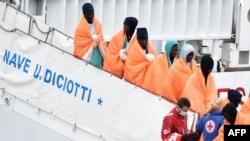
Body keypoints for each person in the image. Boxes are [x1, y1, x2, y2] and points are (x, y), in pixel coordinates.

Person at [73, 2, 106, 69]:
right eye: (88, 14)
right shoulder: (79, 28)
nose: (91, 16)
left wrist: (97, 38)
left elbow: (101, 38)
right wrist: (91, 39)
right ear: (84, 14)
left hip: (97, 54)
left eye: (92, 14)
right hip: (86, 56)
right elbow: (78, 44)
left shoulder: (98, 24)